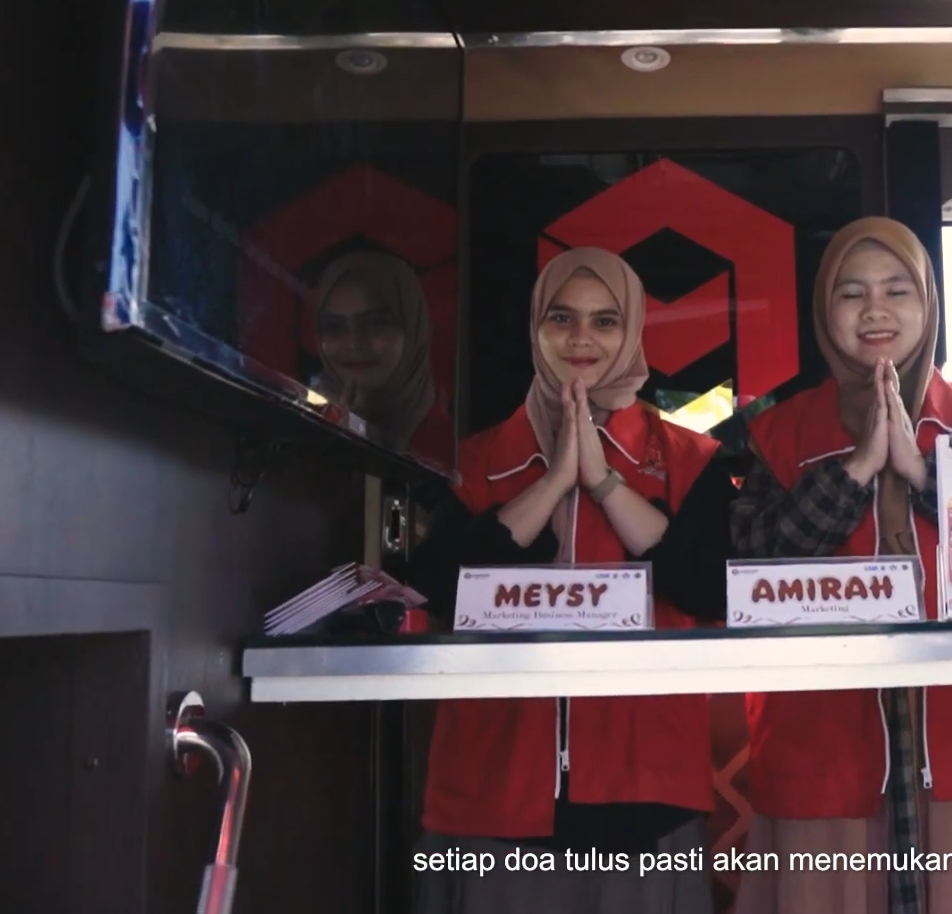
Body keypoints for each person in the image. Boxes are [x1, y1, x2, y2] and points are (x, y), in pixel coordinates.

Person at [730, 217, 952, 914]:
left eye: (896, 290)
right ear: (824, 310)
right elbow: (748, 569)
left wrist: (921, 471)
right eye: (851, 293)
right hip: (820, 749)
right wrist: (856, 470)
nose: (874, 309)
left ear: (928, 304)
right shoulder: (777, 433)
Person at [412, 247, 732, 914]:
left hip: (645, 799)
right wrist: (554, 480)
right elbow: (442, 589)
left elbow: (709, 588)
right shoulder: (476, 459)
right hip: (495, 793)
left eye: (604, 321)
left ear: (632, 331)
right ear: (536, 329)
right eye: (561, 318)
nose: (581, 337)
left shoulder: (689, 458)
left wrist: (605, 483)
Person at [311, 249, 455, 468]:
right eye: (334, 326)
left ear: (414, 330)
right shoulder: (299, 421)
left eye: (376, 323)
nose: (354, 343)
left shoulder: (452, 451)